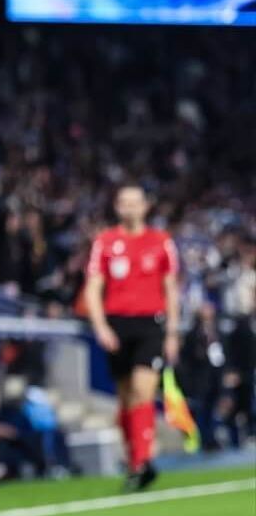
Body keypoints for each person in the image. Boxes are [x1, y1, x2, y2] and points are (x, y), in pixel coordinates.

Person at [82, 185, 180, 490]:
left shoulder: (161, 242)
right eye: (123, 203)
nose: (129, 208)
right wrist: (100, 326)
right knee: (125, 396)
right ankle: (134, 458)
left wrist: (173, 331)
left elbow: (171, 288)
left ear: (145, 207)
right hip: (117, 324)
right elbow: (93, 287)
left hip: (151, 324)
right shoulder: (106, 242)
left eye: (135, 202)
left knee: (143, 388)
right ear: (116, 207)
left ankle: (142, 461)